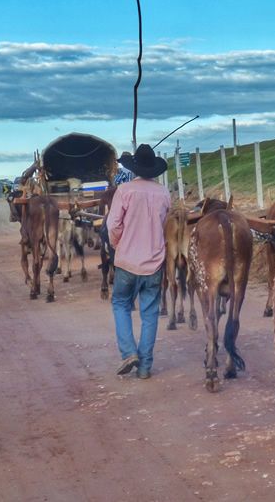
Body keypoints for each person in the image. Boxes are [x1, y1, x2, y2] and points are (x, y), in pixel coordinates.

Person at [106, 144, 170, 379]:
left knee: (120, 304)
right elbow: (165, 225)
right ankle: (144, 367)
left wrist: (118, 245)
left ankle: (129, 353)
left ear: (134, 168)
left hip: (127, 262)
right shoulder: (164, 193)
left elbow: (113, 225)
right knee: (150, 313)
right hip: (154, 263)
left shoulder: (124, 191)